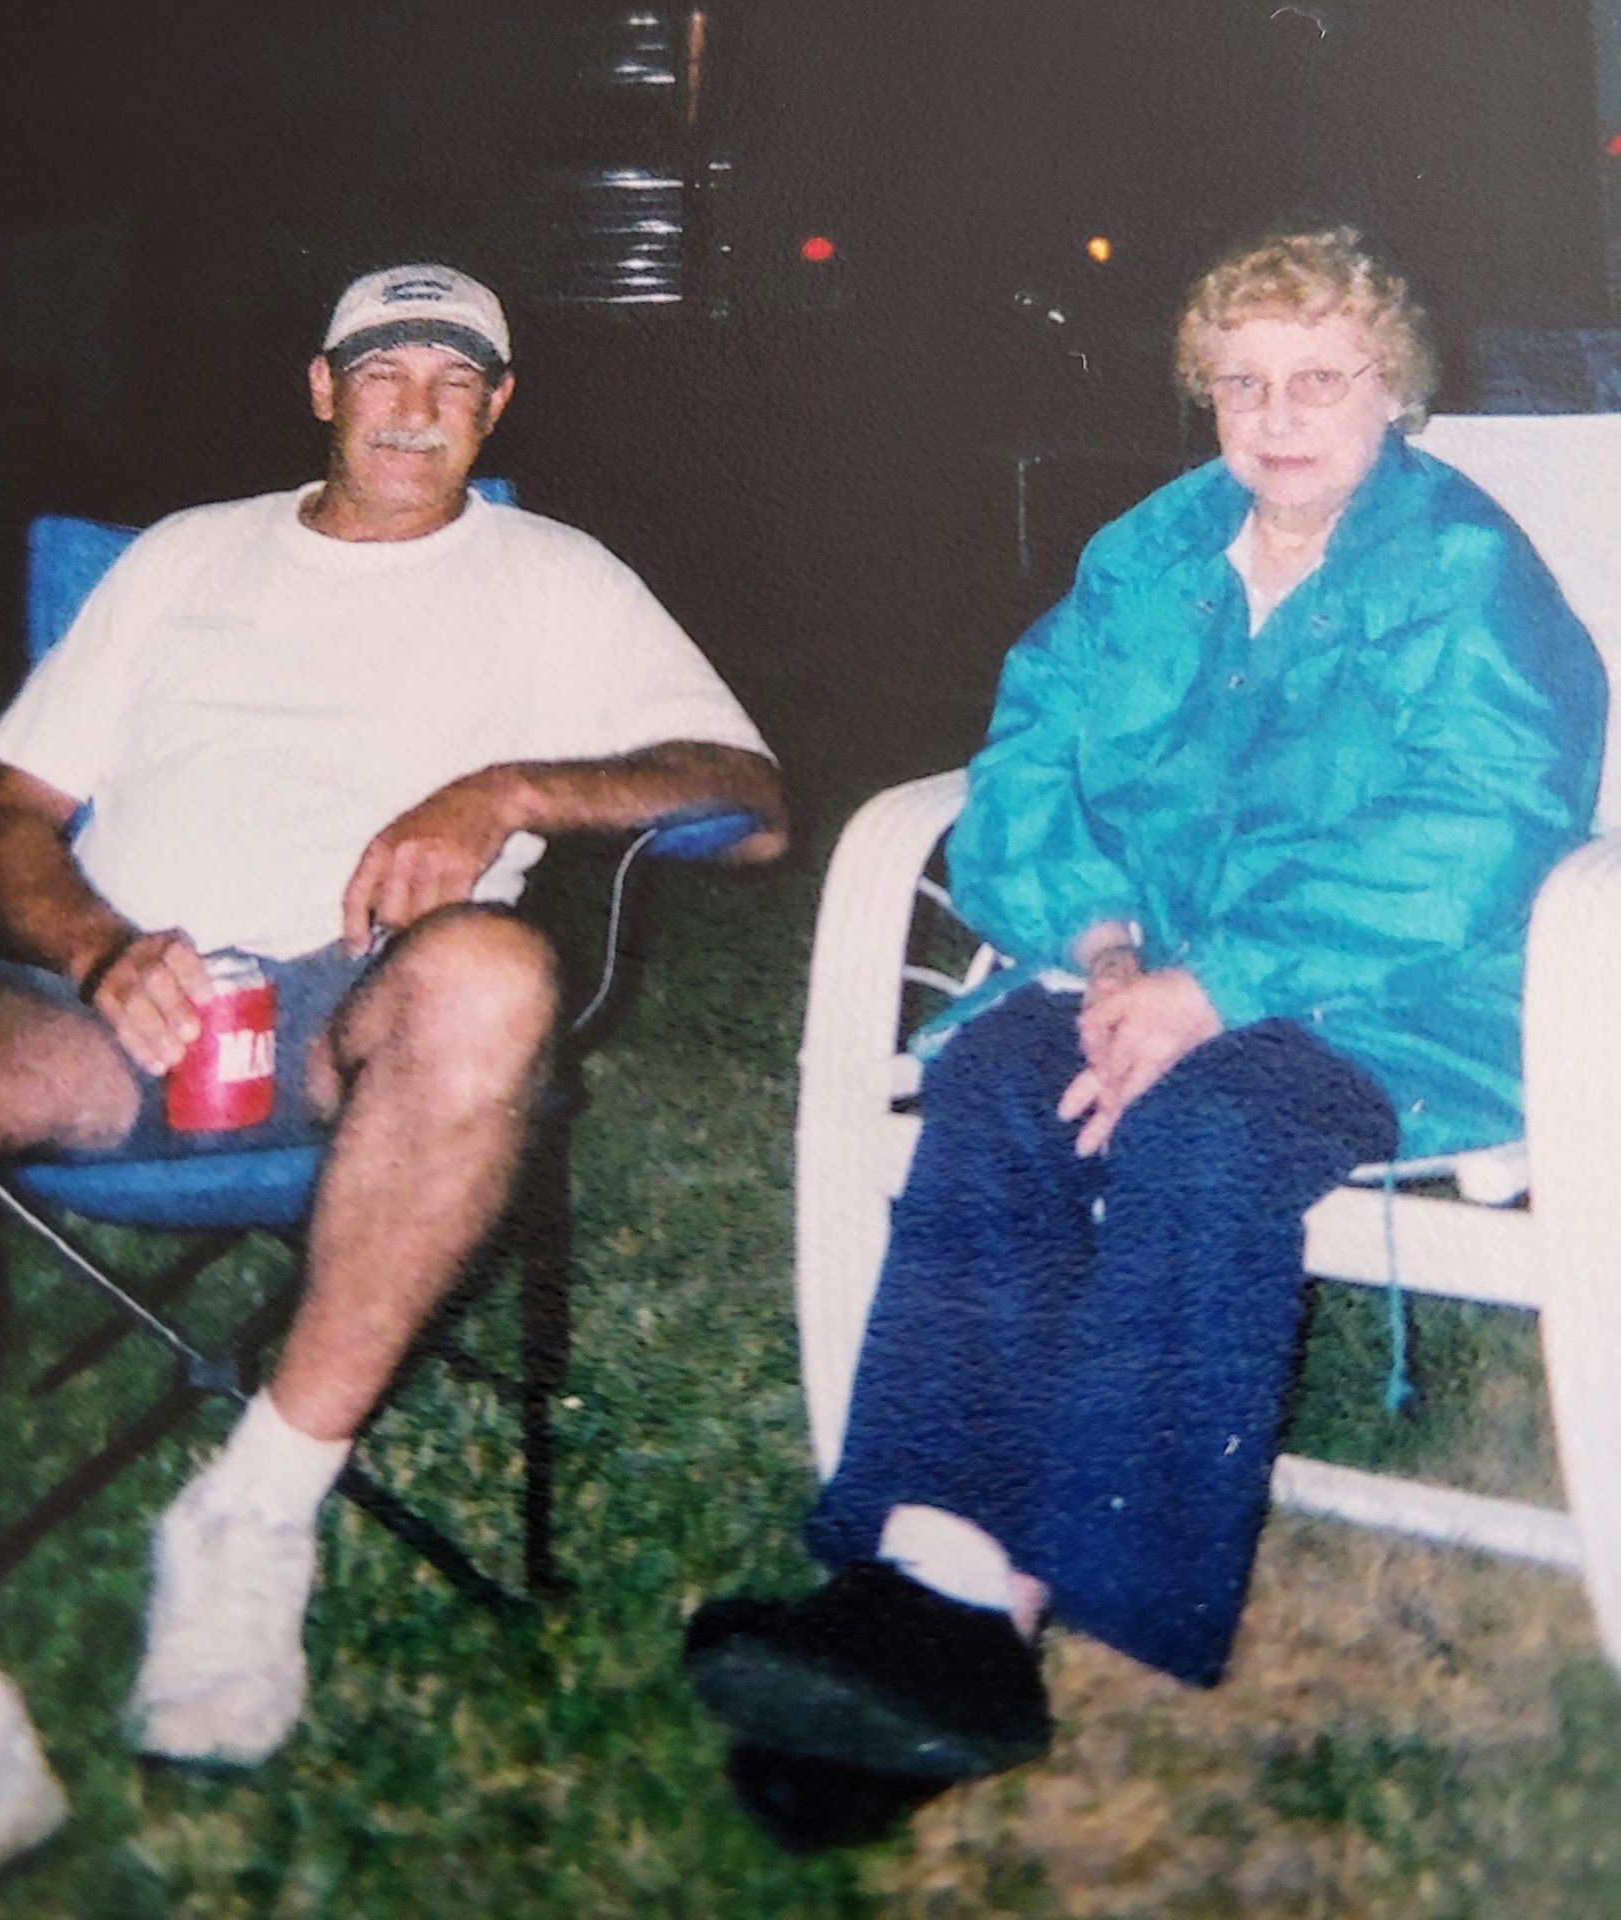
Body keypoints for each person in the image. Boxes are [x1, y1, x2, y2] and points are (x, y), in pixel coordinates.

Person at [0, 260, 786, 1903]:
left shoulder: (558, 575)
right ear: (321, 387)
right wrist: (96, 952)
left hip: (361, 1007)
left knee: (498, 970)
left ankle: (253, 1511)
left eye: (454, 375)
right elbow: (10, 808)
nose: (416, 401)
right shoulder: (180, 556)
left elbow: (744, 792)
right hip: (116, 994)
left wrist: (502, 788)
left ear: (499, 407)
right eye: (383, 369)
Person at [685, 226, 1604, 1849]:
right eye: (1242, 384)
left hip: (1396, 996)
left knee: (1208, 1130)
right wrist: (1107, 949)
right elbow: (1028, 762)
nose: (1280, 416)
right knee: (993, 1080)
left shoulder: (1464, 569)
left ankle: (1044, 1608)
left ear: (1392, 390)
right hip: (1138, 967)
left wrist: (1211, 989)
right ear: (1203, 398)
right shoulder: (1147, 554)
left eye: (1320, 379)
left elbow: (1480, 823)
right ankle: (934, 1587)